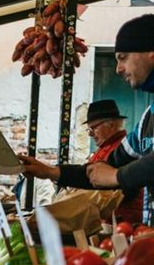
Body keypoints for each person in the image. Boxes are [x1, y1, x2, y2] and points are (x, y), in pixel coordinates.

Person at [20, 14, 154, 225]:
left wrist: (116, 177)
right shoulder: (148, 118)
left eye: (123, 57)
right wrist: (50, 172)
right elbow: (104, 167)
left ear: (150, 53)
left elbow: (117, 172)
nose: (118, 69)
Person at [18, 100, 143, 223]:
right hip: (105, 221)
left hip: (122, 222)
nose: (91, 134)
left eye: (93, 128)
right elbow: (87, 176)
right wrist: (49, 171)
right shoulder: (105, 149)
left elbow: (121, 190)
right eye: (89, 130)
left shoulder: (124, 149)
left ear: (110, 124)